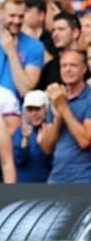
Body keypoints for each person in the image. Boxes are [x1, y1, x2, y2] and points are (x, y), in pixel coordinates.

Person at [39, 49, 91, 183]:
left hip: (84, 180)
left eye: (73, 65)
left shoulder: (89, 98)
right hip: (57, 178)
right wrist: (58, 117)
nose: (68, 69)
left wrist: (63, 107)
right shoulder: (57, 97)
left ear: (84, 69)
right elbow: (47, 148)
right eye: (64, 65)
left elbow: (85, 141)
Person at [13, 90, 53, 183]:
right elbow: (18, 161)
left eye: (38, 109)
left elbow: (53, 162)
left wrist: (43, 146)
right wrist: (25, 140)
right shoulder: (20, 132)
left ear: (46, 108)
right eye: (30, 110)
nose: (34, 114)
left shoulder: (52, 131)